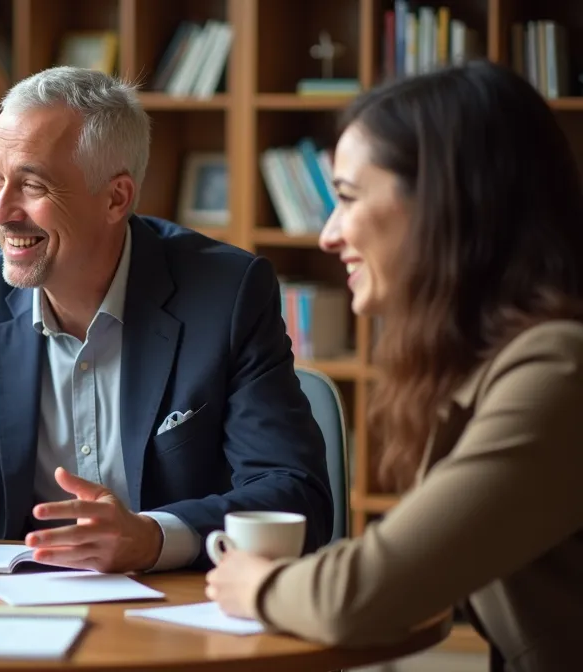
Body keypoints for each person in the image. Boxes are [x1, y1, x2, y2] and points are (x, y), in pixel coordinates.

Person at [0, 66, 333, 573]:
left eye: (32, 185)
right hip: (20, 613)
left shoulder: (224, 294)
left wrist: (153, 537)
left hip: (177, 607)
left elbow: (294, 495)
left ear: (116, 198)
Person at [205, 60, 583, 671]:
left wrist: (255, 585)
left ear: (446, 205)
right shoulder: (493, 364)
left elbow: (364, 592)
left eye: (348, 198)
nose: (328, 235)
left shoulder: (559, 371)